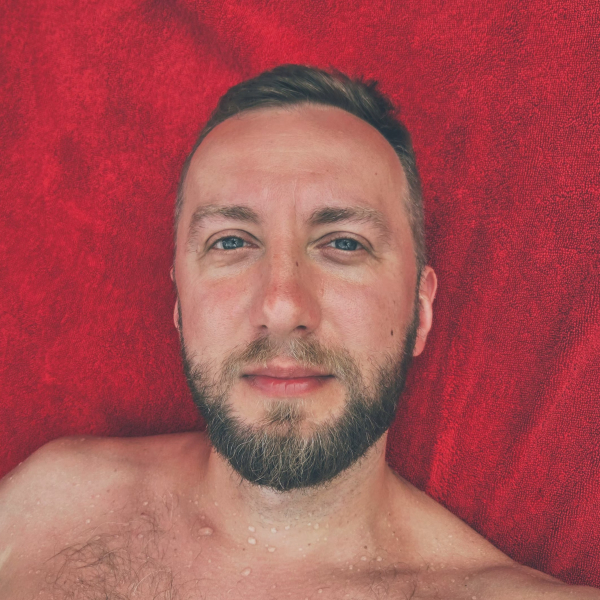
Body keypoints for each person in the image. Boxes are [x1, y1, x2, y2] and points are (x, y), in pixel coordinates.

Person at [0, 64, 597, 600]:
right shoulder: (47, 505)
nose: (283, 305)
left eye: (344, 244)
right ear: (180, 301)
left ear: (420, 308)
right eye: (231, 242)